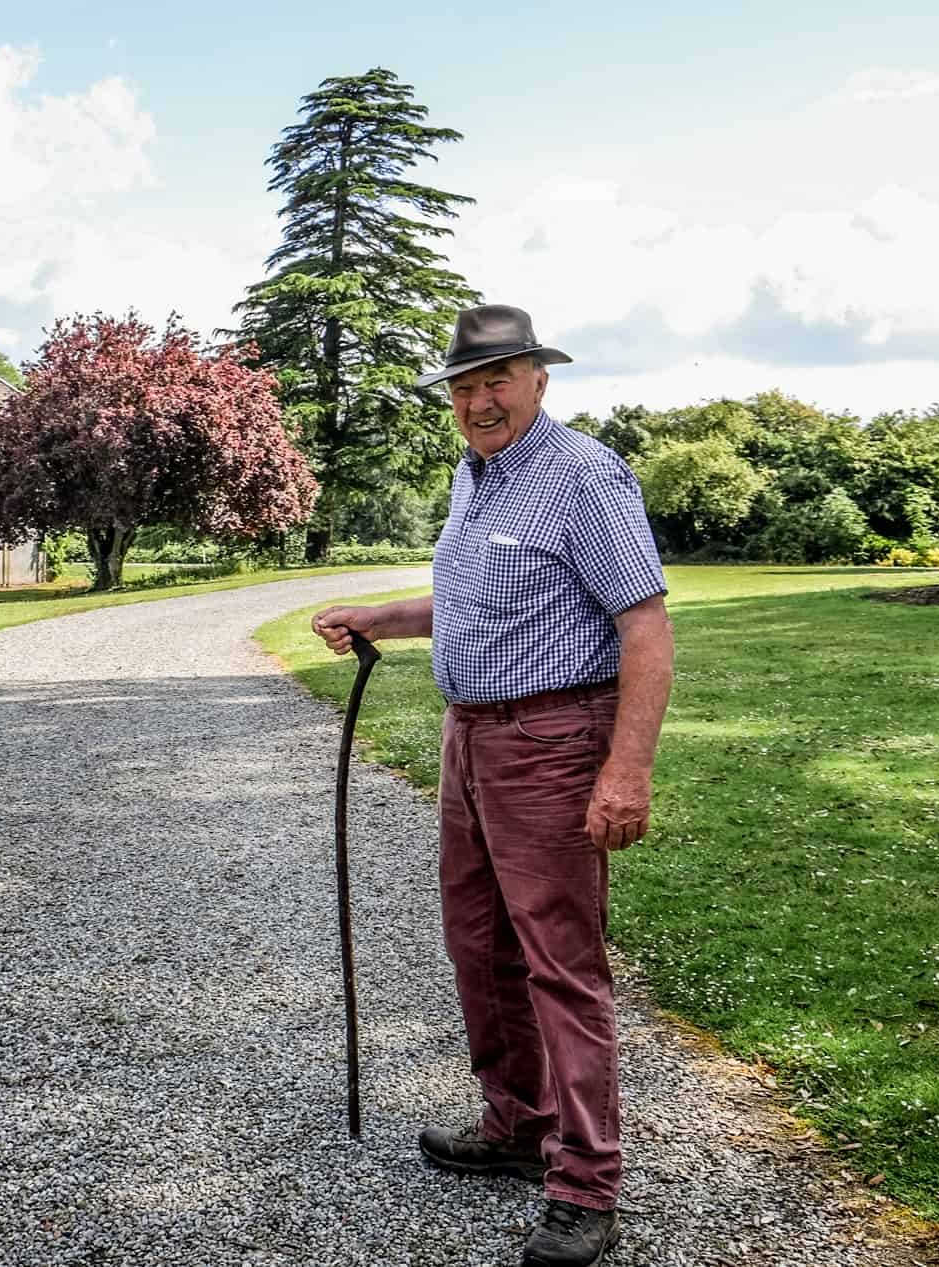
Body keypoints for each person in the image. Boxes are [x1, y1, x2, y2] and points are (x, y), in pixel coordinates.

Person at [312, 305, 674, 1267]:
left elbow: (646, 628)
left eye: (497, 380)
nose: (479, 400)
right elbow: (473, 600)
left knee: (561, 961)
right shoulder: (475, 479)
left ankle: (586, 1181)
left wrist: (626, 768)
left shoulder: (584, 476)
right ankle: (517, 1124)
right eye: (465, 387)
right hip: (469, 739)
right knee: (478, 943)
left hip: (554, 742)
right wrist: (380, 616)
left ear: (539, 380)